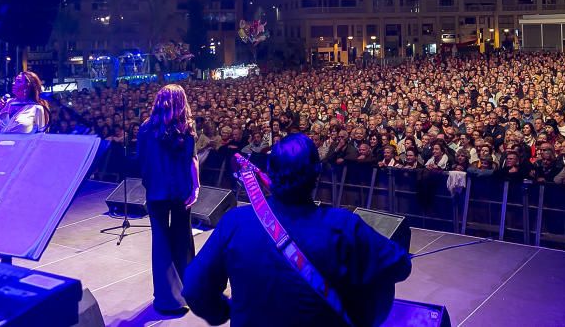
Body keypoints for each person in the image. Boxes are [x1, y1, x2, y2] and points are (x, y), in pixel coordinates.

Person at [183, 133, 412, 327]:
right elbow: (400, 266)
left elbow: (194, 288)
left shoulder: (235, 222)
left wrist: (226, 311)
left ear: (270, 170)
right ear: (317, 174)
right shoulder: (343, 226)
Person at [138, 84, 201, 316]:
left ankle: (166, 299)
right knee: (183, 237)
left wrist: (149, 182)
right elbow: (192, 160)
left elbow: (141, 159)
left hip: (156, 191)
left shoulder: (145, 128)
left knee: (161, 242)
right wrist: (196, 186)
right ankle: (189, 290)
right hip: (180, 190)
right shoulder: (186, 127)